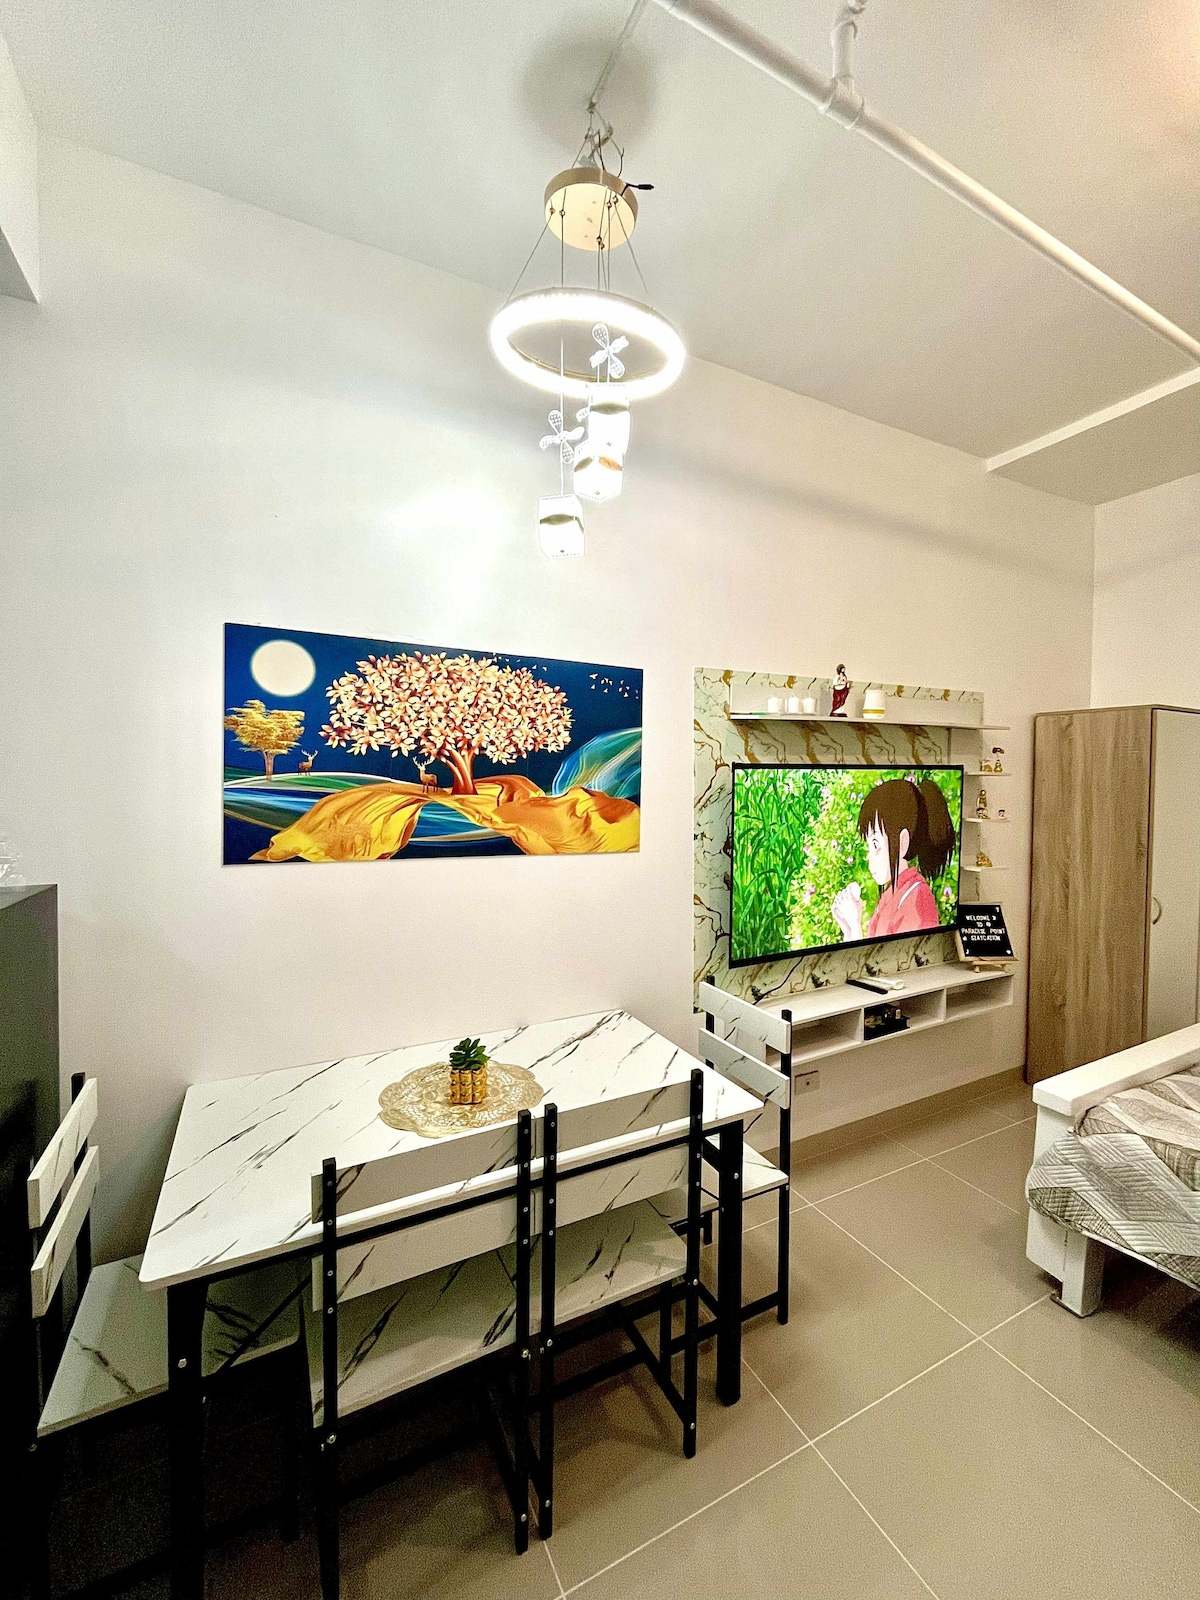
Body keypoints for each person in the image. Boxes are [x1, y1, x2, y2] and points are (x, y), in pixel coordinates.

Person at [831, 776, 956, 942]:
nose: (869, 856)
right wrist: (849, 928)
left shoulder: (916, 898)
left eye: (875, 844)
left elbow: (899, 955)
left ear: (903, 842)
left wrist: (855, 926)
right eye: (868, 845)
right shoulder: (892, 895)